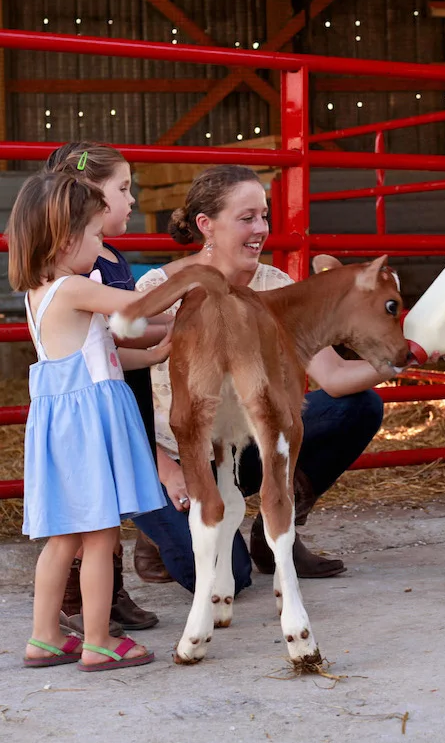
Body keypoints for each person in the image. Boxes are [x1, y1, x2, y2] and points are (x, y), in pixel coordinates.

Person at [133, 164, 395, 595]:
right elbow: (124, 398)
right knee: (232, 580)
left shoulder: (275, 283)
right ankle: (157, 535)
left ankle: (276, 534)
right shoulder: (161, 289)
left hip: (245, 447)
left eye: (264, 216)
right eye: (246, 218)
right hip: (180, 459)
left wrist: (409, 356)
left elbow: (333, 376)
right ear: (206, 224)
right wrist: (164, 470)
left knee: (358, 406)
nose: (261, 229)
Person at [8, 171, 167, 669]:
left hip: (66, 428)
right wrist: (196, 283)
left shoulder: (40, 295)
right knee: (100, 537)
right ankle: (99, 641)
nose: (103, 248)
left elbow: (103, 357)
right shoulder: (74, 288)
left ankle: (45, 636)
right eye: (97, 236)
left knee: (64, 539)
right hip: (87, 430)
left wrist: (158, 351)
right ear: (65, 240)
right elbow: (141, 305)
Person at [42, 142, 171, 635]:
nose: (132, 199)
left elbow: (116, 340)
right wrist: (192, 290)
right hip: (94, 404)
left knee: (100, 517)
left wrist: (160, 348)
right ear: (87, 199)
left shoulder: (105, 259)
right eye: (123, 188)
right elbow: (127, 319)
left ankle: (95, 604)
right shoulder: (78, 278)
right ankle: (89, 618)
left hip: (114, 386)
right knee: (96, 523)